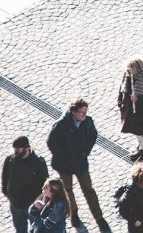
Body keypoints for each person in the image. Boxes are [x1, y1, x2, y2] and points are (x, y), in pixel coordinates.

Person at [46, 98, 109, 231]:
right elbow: (51, 142)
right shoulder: (62, 124)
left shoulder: (87, 122)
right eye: (82, 112)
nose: (84, 115)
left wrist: (85, 151)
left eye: (85, 112)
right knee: (68, 190)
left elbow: (93, 135)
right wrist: (65, 156)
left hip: (80, 163)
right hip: (64, 165)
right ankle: (74, 214)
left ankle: (99, 217)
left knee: (88, 189)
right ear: (74, 112)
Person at [3, 136, 48, 233]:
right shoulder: (10, 160)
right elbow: (5, 177)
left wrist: (38, 201)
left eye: (18, 149)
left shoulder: (38, 162)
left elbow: (45, 183)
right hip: (16, 203)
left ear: (27, 148)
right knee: (20, 229)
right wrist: (7, 193)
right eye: (14, 149)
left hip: (32, 204)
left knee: (36, 229)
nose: (15, 151)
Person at [118, 58, 143, 162]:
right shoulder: (127, 75)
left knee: (142, 133)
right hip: (128, 112)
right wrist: (120, 102)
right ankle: (140, 148)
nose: (129, 72)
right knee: (135, 132)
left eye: (132, 69)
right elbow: (121, 89)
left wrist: (139, 99)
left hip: (141, 113)